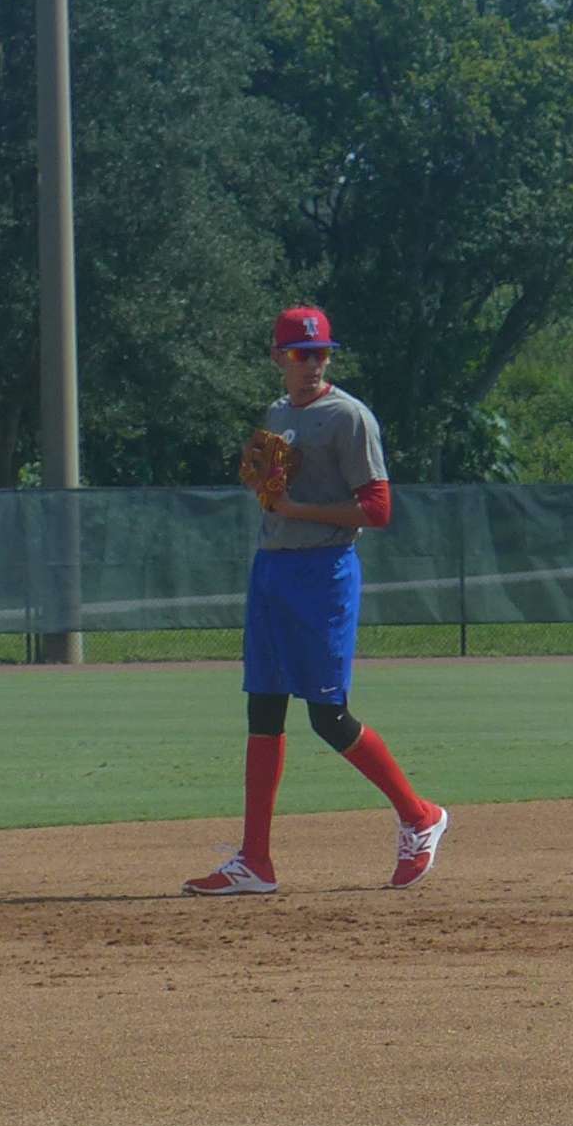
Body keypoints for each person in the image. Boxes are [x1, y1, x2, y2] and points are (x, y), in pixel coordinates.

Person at [183, 307, 448, 895]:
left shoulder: (349, 418)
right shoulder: (278, 414)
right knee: (263, 709)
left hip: (324, 572)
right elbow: (275, 490)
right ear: (278, 358)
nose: (313, 363)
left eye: (322, 353)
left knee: (327, 716)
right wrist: (266, 493)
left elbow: (378, 509)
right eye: (302, 354)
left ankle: (419, 816)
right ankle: (255, 861)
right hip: (272, 568)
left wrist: (296, 508)